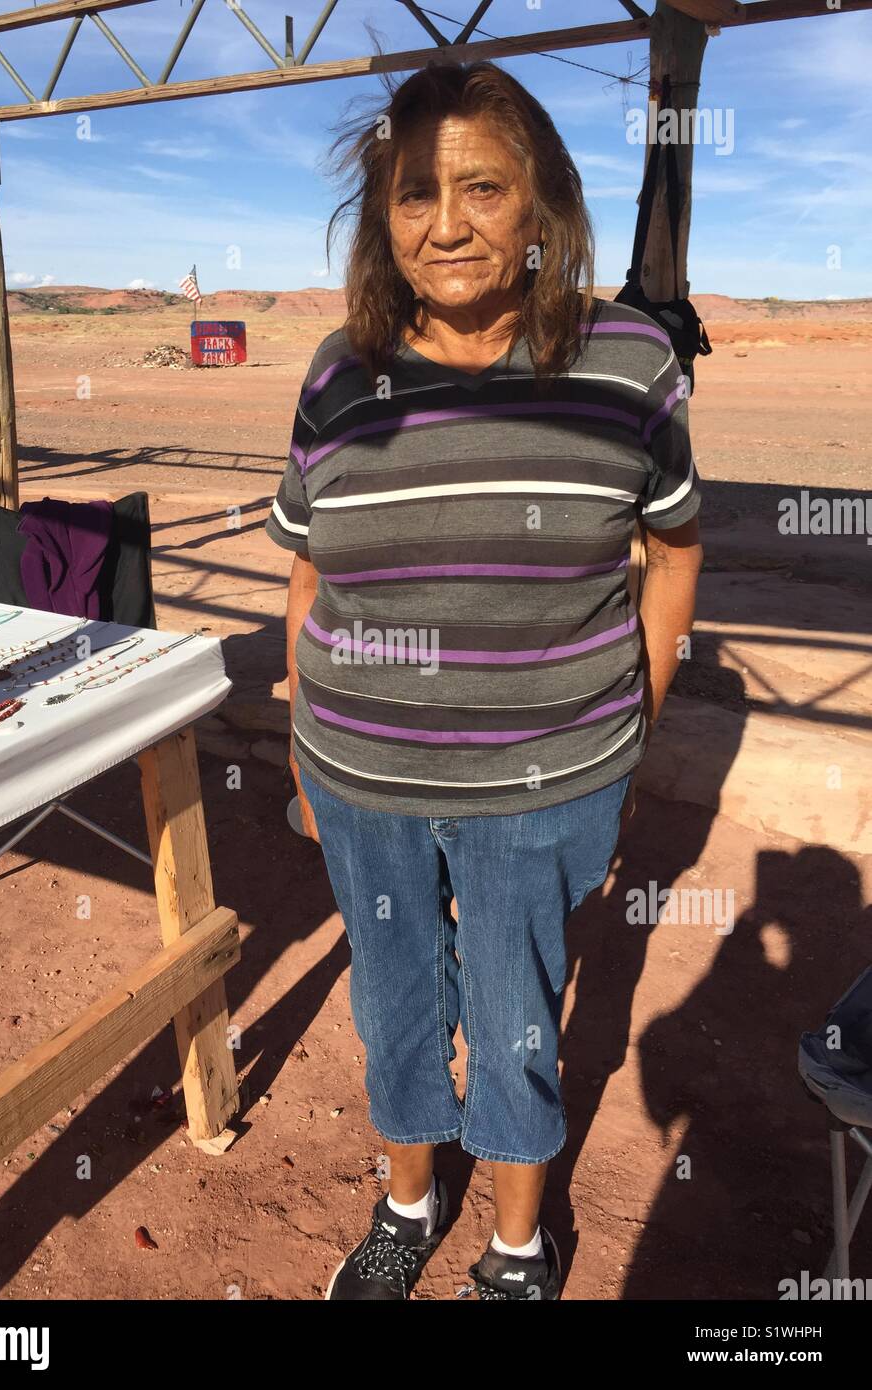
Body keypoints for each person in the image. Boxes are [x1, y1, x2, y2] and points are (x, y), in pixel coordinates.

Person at [265, 59, 703, 1301]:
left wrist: (634, 725)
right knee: (394, 1003)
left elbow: (671, 554)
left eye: (479, 188)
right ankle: (408, 1198)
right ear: (381, 218)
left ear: (539, 205)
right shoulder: (335, 375)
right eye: (414, 194)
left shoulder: (624, 365)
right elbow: (303, 579)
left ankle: (517, 1244)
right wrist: (303, 741)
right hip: (362, 781)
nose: (444, 224)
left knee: (516, 1015)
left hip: (540, 787)